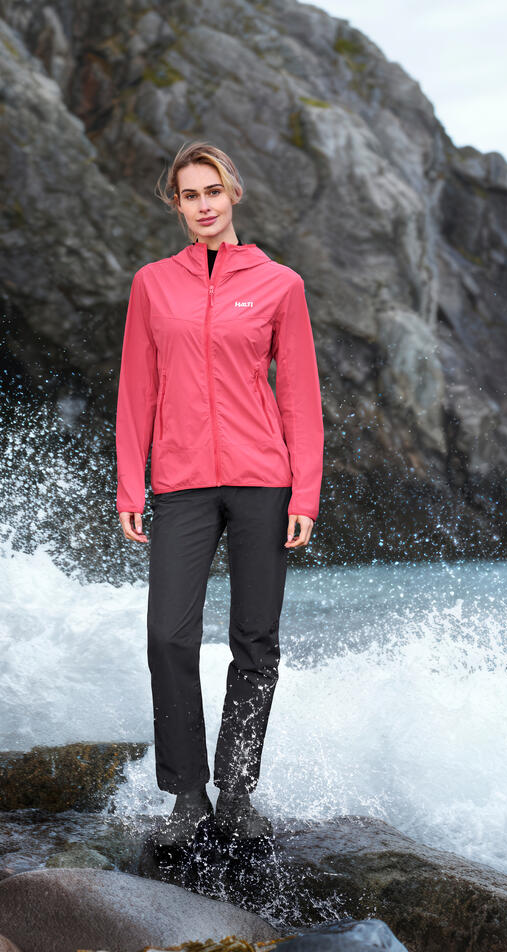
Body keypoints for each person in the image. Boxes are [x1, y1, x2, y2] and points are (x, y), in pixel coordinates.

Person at [115, 140, 323, 846]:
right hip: (179, 484)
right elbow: (136, 391)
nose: (203, 205)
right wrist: (129, 481)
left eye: (213, 191)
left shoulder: (280, 285)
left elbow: (299, 398)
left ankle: (235, 791)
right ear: (175, 203)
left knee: (254, 642)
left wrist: (305, 493)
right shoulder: (152, 285)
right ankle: (186, 797)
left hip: (264, 480)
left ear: (234, 193)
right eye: (189, 194)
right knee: (168, 635)